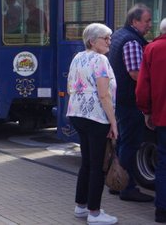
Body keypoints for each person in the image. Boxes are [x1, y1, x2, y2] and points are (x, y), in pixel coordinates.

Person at [67, 23, 118, 225]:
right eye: (105, 38)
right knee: (97, 166)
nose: (109, 42)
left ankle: (81, 206)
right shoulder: (100, 60)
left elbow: (71, 85)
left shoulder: (77, 57)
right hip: (96, 116)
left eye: (109, 38)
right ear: (92, 41)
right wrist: (113, 123)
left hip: (77, 114)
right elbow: (104, 95)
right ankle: (94, 213)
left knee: (87, 162)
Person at [108, 3, 154, 202]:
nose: (149, 25)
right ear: (135, 21)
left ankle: (116, 182)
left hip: (120, 100)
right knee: (130, 143)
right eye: (147, 21)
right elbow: (136, 73)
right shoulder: (132, 41)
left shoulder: (119, 34)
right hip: (130, 102)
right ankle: (126, 188)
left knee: (122, 143)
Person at [136, 18, 166, 223]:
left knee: (163, 163)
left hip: (162, 117)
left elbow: (142, 89)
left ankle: (161, 211)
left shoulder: (152, 49)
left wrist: (147, 112)